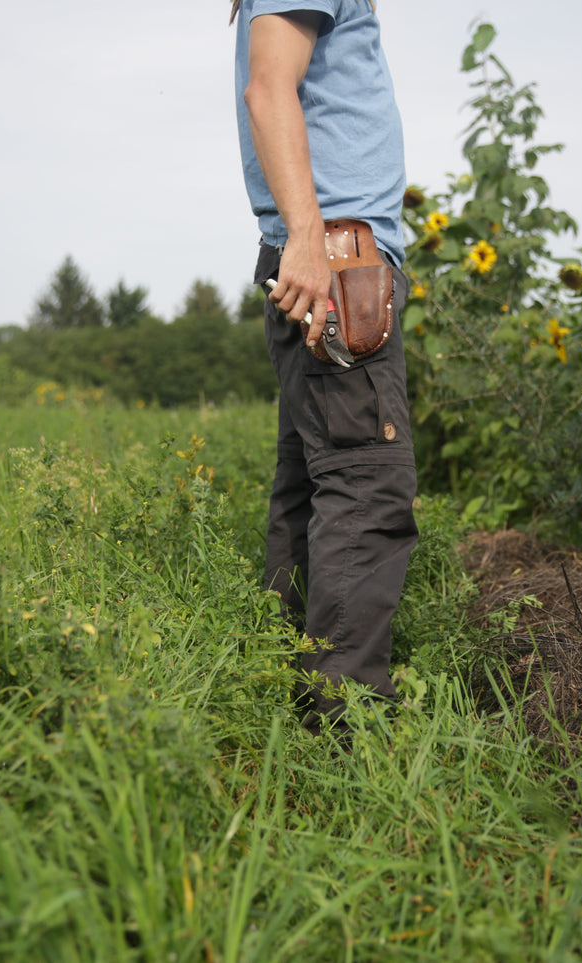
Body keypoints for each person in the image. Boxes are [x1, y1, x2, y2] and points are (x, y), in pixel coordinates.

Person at [231, 0, 417, 735]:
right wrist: (308, 236)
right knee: (367, 489)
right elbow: (267, 86)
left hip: (326, 261)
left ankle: (282, 691)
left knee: (312, 487)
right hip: (337, 267)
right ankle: (349, 733)